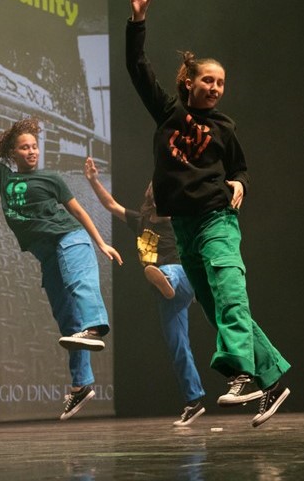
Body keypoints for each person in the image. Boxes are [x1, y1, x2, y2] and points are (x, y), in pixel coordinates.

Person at [127, 0, 290, 428]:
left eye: (221, 82)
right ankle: (273, 380)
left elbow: (240, 168)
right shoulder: (169, 114)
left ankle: (240, 372)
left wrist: (240, 184)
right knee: (216, 307)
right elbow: (138, 67)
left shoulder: (225, 127)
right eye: (208, 80)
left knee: (229, 292)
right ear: (189, 82)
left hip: (218, 219)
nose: (216, 88)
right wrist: (138, 21)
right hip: (183, 226)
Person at [0, 78, 121, 420]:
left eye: (34, 146)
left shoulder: (52, 178)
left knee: (82, 288)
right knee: (67, 320)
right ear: (13, 153)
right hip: (46, 254)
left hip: (70, 238)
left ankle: (97, 325)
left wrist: (101, 241)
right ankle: (81, 385)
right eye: (24, 147)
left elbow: (78, 212)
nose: (32, 151)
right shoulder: (4, 178)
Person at [83, 157, 206, 426]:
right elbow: (110, 205)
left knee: (167, 272)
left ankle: (165, 279)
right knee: (178, 347)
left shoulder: (173, 219)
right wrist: (92, 180)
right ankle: (193, 401)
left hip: (182, 277)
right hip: (166, 297)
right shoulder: (140, 221)